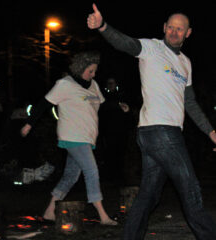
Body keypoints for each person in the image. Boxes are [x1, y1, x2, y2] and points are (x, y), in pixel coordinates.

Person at [87, 4, 216, 239]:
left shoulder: (186, 63)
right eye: (171, 27)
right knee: (190, 189)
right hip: (160, 131)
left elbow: (191, 103)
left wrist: (211, 131)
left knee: (149, 195)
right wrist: (103, 27)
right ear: (164, 28)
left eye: (180, 29)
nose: (175, 32)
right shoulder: (152, 48)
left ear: (188, 33)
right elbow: (126, 43)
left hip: (154, 135)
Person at [20, 51, 117, 225]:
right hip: (72, 135)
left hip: (87, 137)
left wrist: (119, 106)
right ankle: (102, 215)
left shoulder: (93, 85)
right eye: (90, 71)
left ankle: (50, 211)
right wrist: (29, 124)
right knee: (91, 170)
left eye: (95, 71)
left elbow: (103, 105)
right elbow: (43, 104)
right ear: (81, 68)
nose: (93, 74)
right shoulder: (65, 84)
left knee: (71, 176)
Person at [99, 77, 131, 184]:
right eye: (109, 83)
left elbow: (128, 110)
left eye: (112, 83)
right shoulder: (103, 95)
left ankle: (119, 176)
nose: (110, 85)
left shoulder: (122, 94)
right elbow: (102, 108)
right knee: (109, 153)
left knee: (120, 153)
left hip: (121, 130)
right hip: (107, 131)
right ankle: (109, 176)